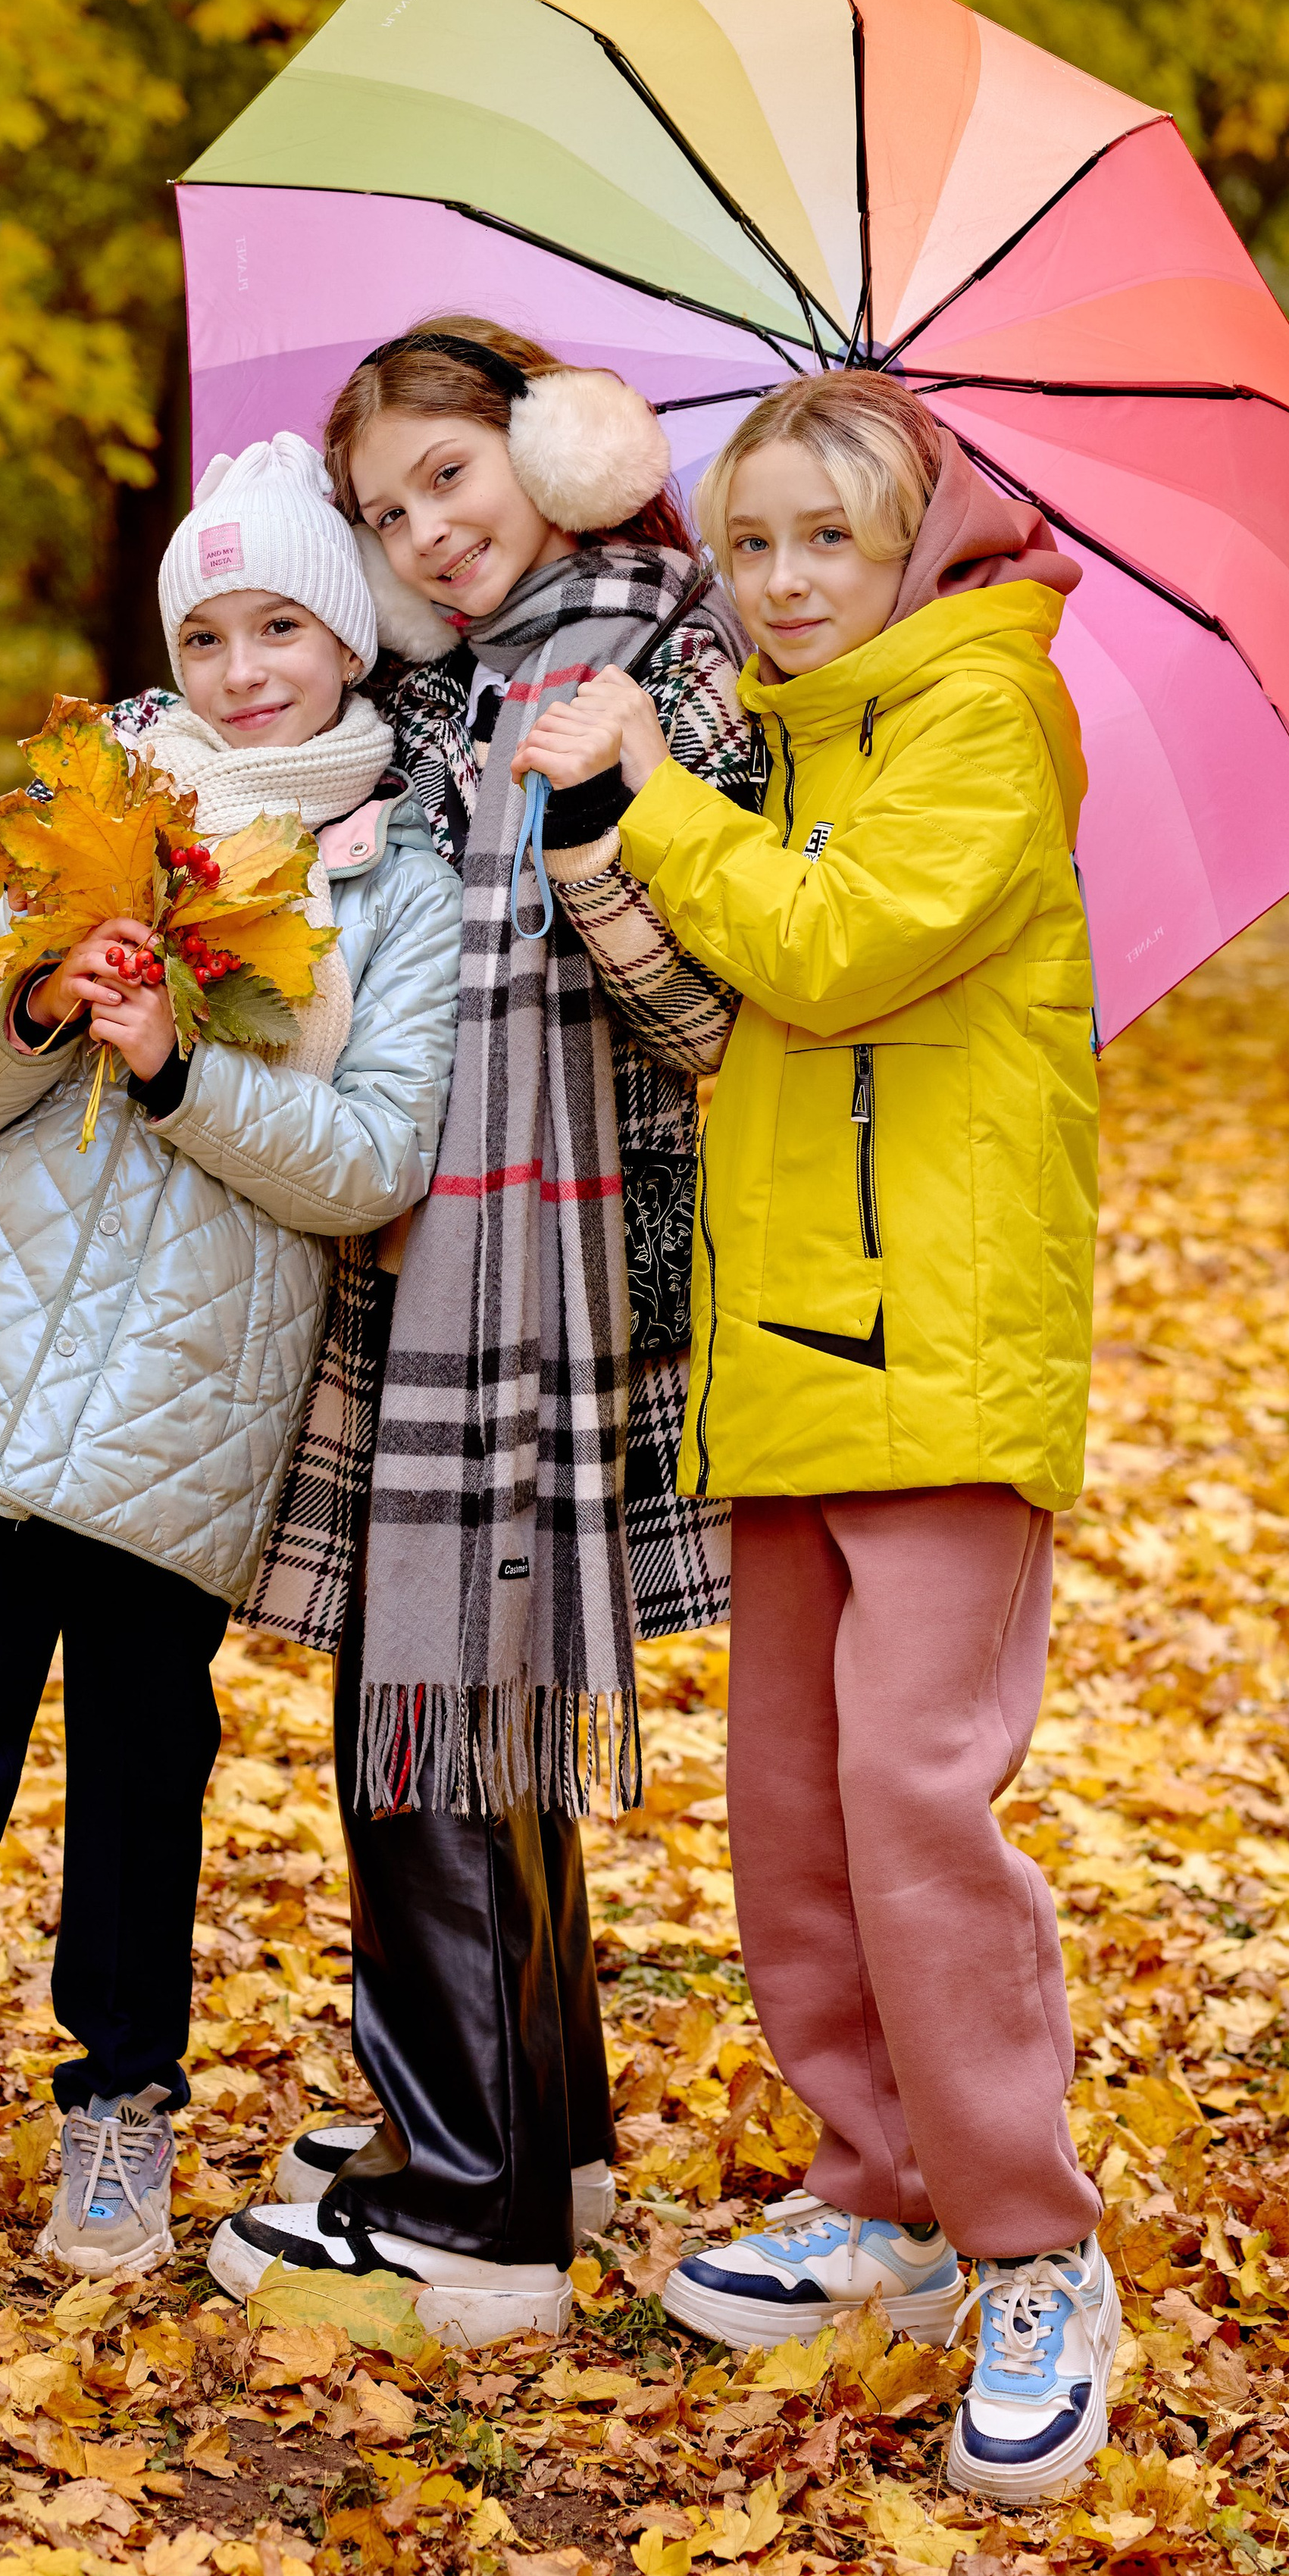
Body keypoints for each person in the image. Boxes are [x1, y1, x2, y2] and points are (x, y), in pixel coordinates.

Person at [0, 436, 461, 2290]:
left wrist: (177, 1070)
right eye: (206, 630)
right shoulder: (84, 816)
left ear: (348, 633)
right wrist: (43, 1000)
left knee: (142, 1762)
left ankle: (117, 2111)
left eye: (280, 622)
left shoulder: (396, 882)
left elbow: (371, 1162)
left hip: (188, 1412)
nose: (239, 667)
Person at [511, 370, 1116, 2502]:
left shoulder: (982, 720)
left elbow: (839, 949)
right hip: (784, 1346)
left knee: (914, 1801)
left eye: (822, 545)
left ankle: (1031, 2247)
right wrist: (625, 820)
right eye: (745, 543)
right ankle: (879, 2197)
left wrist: (658, 796)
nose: (774, 585)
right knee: (795, 1806)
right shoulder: (790, 740)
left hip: (941, 1349)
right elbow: (720, 998)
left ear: (914, 548)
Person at [205, 320, 761, 2345]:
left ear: (553, 445)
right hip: (425, 1261)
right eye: (386, 510)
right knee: (447, 1709)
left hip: (551, 1270)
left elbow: (711, 1021)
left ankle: (472, 2214)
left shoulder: (656, 662)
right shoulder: (442, 700)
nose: (426, 531)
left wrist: (607, 816)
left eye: (450, 474)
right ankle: (538, 2136)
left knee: (433, 1708)